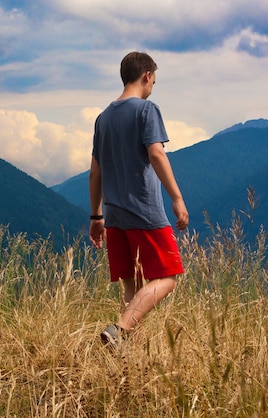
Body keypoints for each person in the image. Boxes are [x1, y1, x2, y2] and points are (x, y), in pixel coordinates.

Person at [89, 51, 189, 346]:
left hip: (115, 216)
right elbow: (156, 153)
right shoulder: (146, 110)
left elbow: (95, 172)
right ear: (146, 76)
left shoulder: (103, 118)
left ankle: (125, 356)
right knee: (168, 278)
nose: (151, 88)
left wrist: (96, 217)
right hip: (145, 212)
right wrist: (177, 197)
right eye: (153, 82)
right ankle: (118, 329)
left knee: (133, 289)